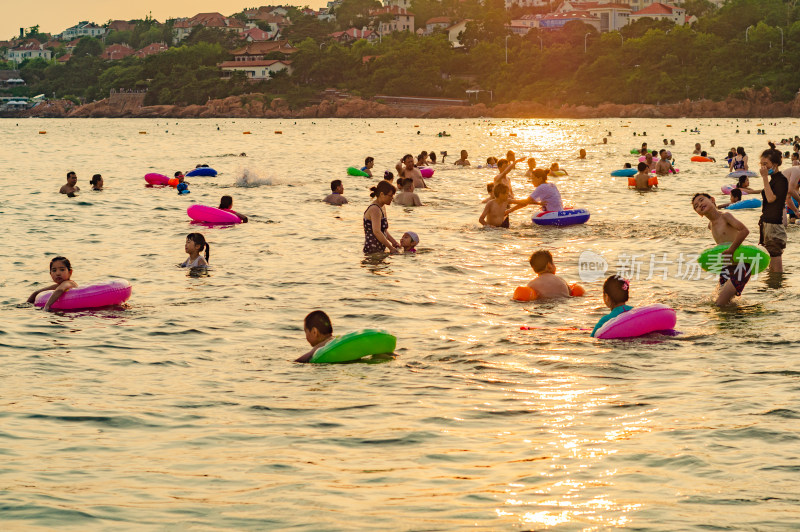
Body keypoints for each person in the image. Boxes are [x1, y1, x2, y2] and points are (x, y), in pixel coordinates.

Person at [691, 193, 751, 305]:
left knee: (720, 304)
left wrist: (732, 250)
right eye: (696, 206)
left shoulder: (725, 216)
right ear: (698, 213)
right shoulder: (710, 225)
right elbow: (722, 244)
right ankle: (737, 318)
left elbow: (744, 230)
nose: (699, 204)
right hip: (726, 267)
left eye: (701, 200)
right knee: (723, 303)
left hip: (741, 266)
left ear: (712, 200)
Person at [758, 144, 789, 272]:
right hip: (767, 224)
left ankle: (776, 288)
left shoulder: (781, 180)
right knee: (769, 265)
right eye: (761, 164)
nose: (763, 167)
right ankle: (771, 290)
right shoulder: (773, 180)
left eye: (766, 163)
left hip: (774, 227)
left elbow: (771, 199)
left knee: (776, 268)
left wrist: (764, 177)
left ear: (775, 164)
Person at [363, 181, 399, 254]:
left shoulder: (382, 207)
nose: (392, 198)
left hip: (379, 249)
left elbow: (384, 231)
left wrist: (394, 243)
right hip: (372, 250)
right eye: (390, 196)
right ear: (382, 194)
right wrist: (390, 248)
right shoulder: (375, 209)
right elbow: (377, 231)